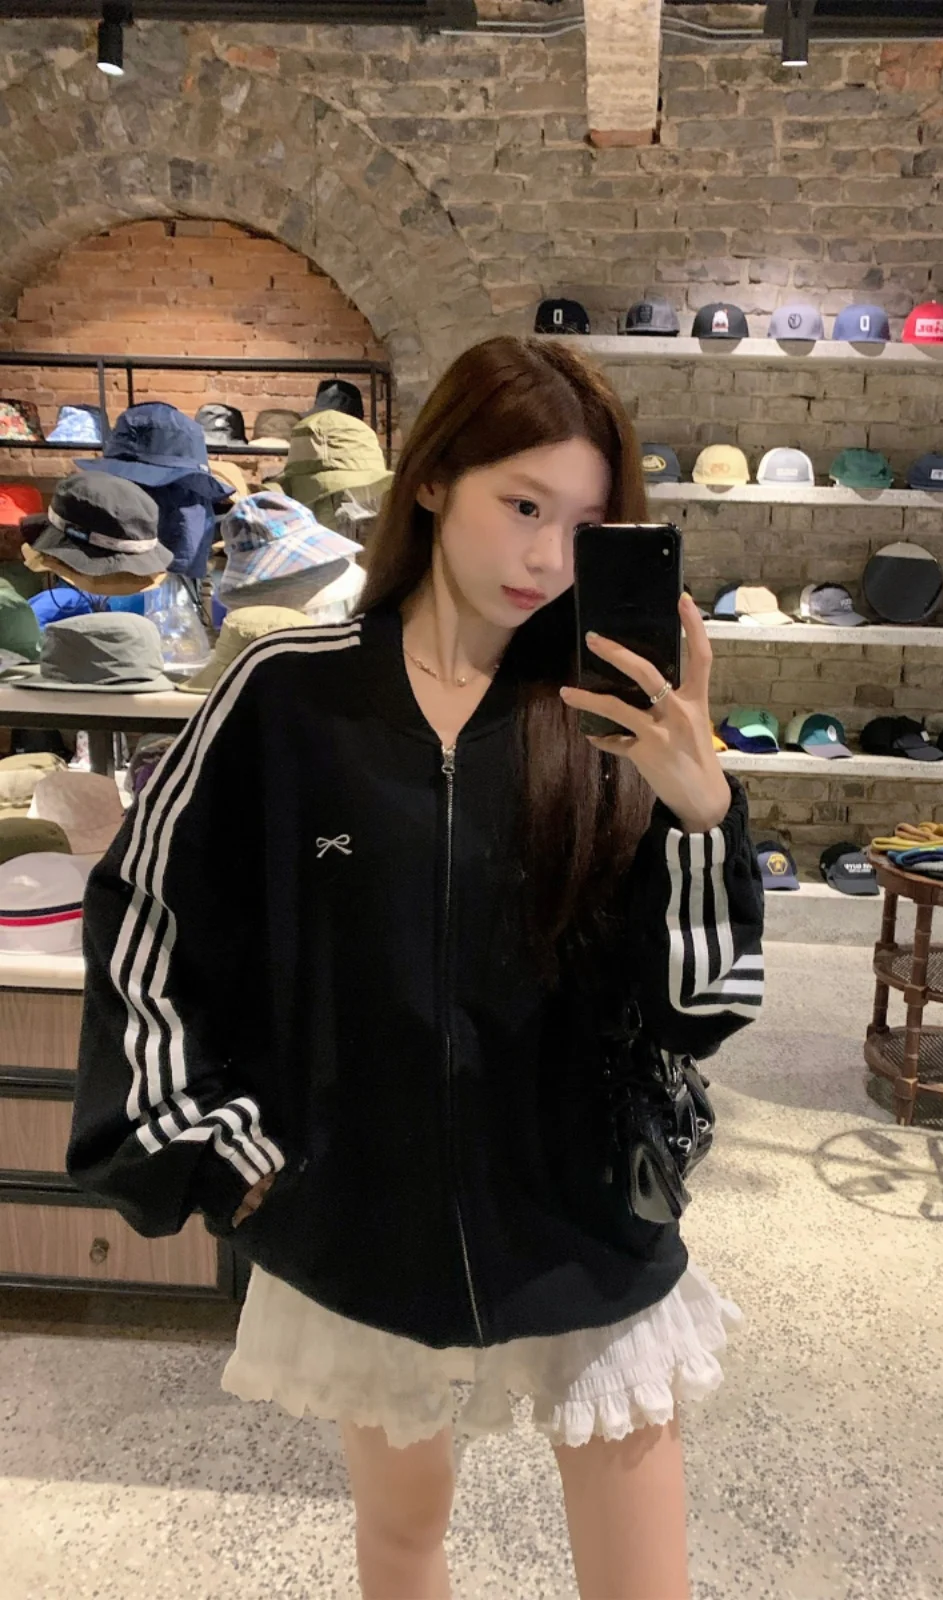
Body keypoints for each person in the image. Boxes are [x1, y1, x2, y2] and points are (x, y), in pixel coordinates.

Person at [66, 336, 766, 1600]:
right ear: (435, 479)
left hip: (584, 1212)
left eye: (586, 525)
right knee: (401, 1538)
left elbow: (700, 1008)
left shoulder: (607, 724)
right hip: (364, 1217)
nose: (549, 559)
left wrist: (702, 815)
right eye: (523, 506)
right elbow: (147, 911)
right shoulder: (290, 697)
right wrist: (208, 1141)